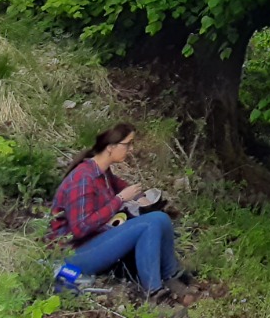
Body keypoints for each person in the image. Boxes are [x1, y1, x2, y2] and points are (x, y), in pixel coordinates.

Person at [50, 123, 191, 304]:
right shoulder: (83, 178)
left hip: (96, 241)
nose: (131, 149)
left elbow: (121, 187)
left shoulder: (103, 172)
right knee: (151, 223)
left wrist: (140, 198)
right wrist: (119, 199)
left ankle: (172, 275)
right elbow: (80, 228)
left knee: (161, 218)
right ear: (110, 147)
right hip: (73, 254)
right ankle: (154, 292)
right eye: (128, 144)